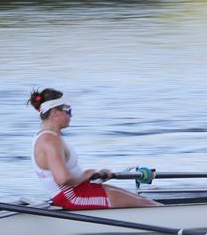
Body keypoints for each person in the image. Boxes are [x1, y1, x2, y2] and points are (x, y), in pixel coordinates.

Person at [28, 88, 158, 209]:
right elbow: (63, 179)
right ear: (55, 112)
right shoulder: (50, 140)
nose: (71, 115)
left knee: (144, 201)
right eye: (68, 110)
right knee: (146, 205)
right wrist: (85, 175)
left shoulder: (44, 136)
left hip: (79, 190)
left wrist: (93, 176)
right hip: (72, 198)